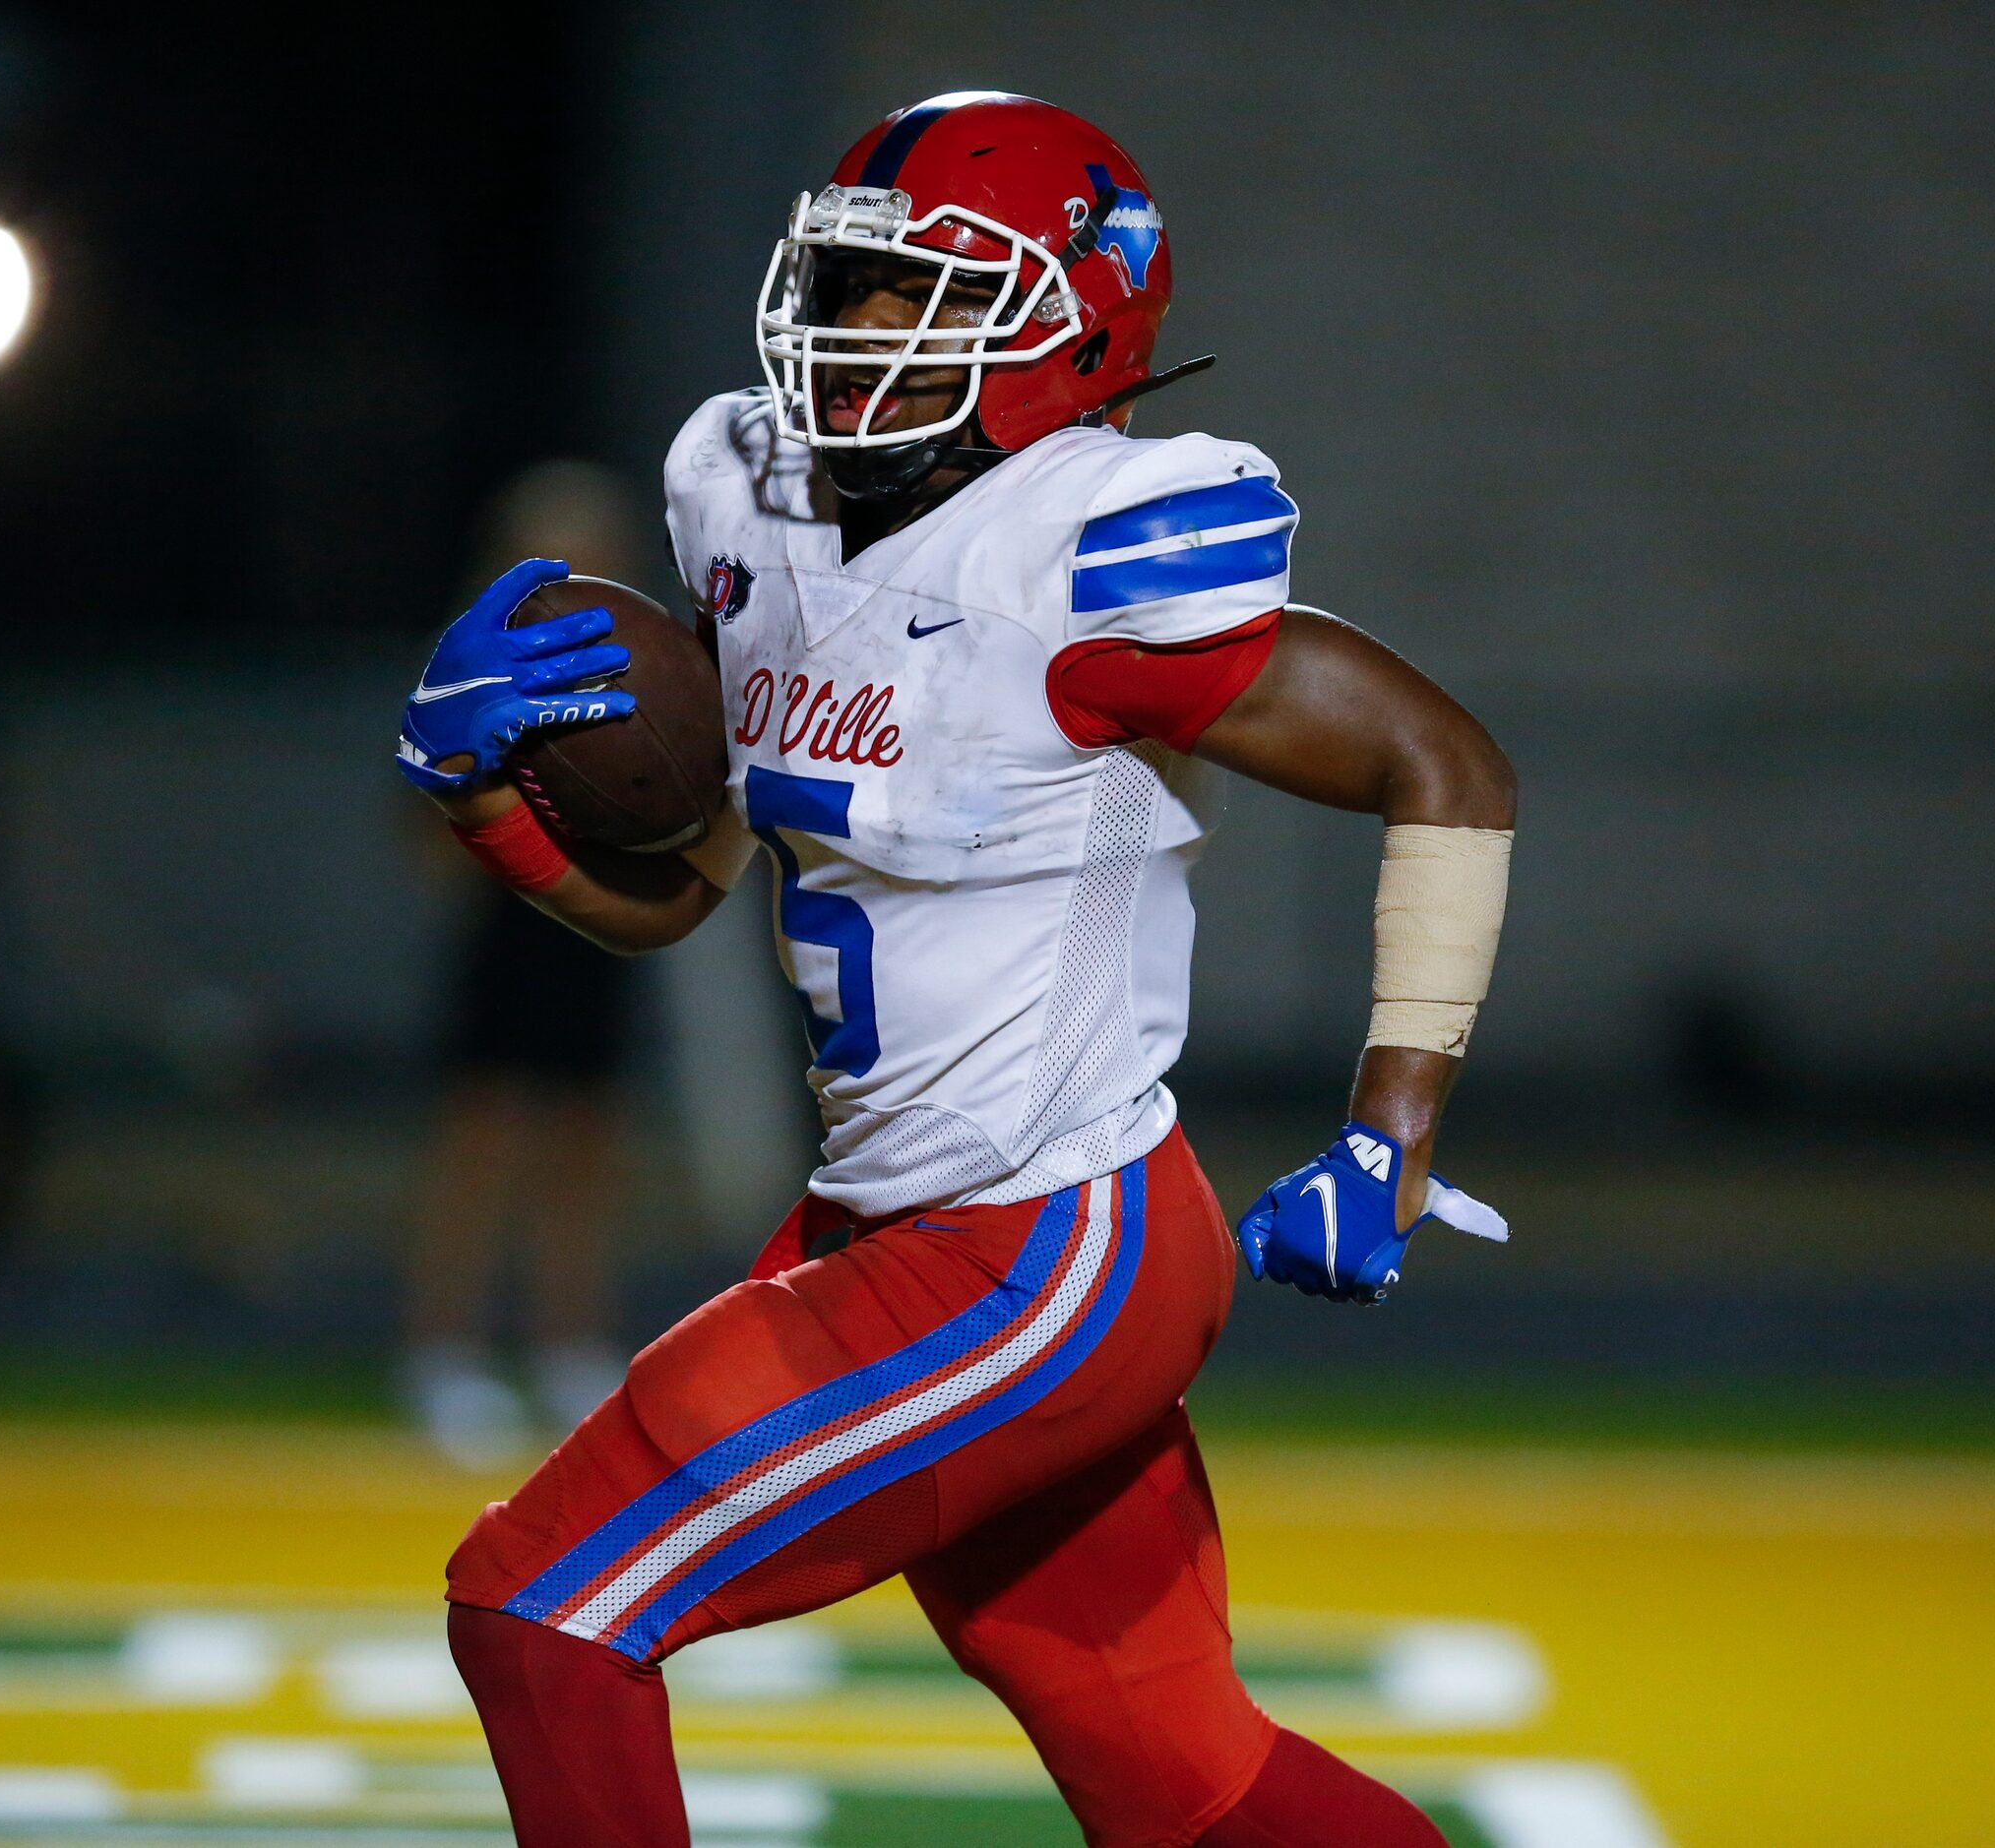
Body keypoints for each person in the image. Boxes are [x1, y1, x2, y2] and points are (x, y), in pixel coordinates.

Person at [395, 94, 1518, 1846]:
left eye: (920, 294)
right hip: (889, 1219)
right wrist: (501, 818)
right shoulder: (752, 507)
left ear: (1071, 327)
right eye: (841, 287)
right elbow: (685, 894)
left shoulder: (1082, 552)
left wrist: (1392, 1130)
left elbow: (1441, 762)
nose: (852, 337)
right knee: (1176, 1775)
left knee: (543, 1602)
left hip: (1042, 1247)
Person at [404, 462, 645, 1466]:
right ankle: (442, 1352)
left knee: (584, 1141)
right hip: (508, 922)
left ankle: (568, 1343)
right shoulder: (472, 673)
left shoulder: (643, 675)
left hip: (596, 919)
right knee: (486, 1140)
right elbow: (424, 832)